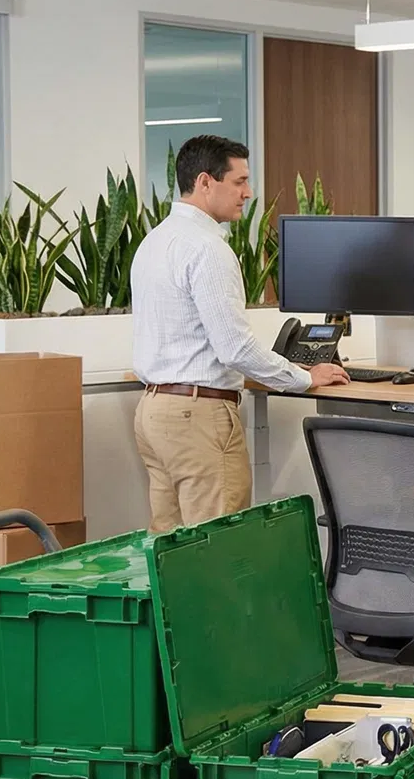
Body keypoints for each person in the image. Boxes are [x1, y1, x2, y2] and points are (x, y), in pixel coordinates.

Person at [131, 134, 348, 533]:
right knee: (218, 545)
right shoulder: (208, 249)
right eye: (239, 182)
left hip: (154, 412)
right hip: (197, 417)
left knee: (169, 548)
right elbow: (234, 348)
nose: (248, 193)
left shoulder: (153, 241)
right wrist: (303, 376)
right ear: (205, 182)